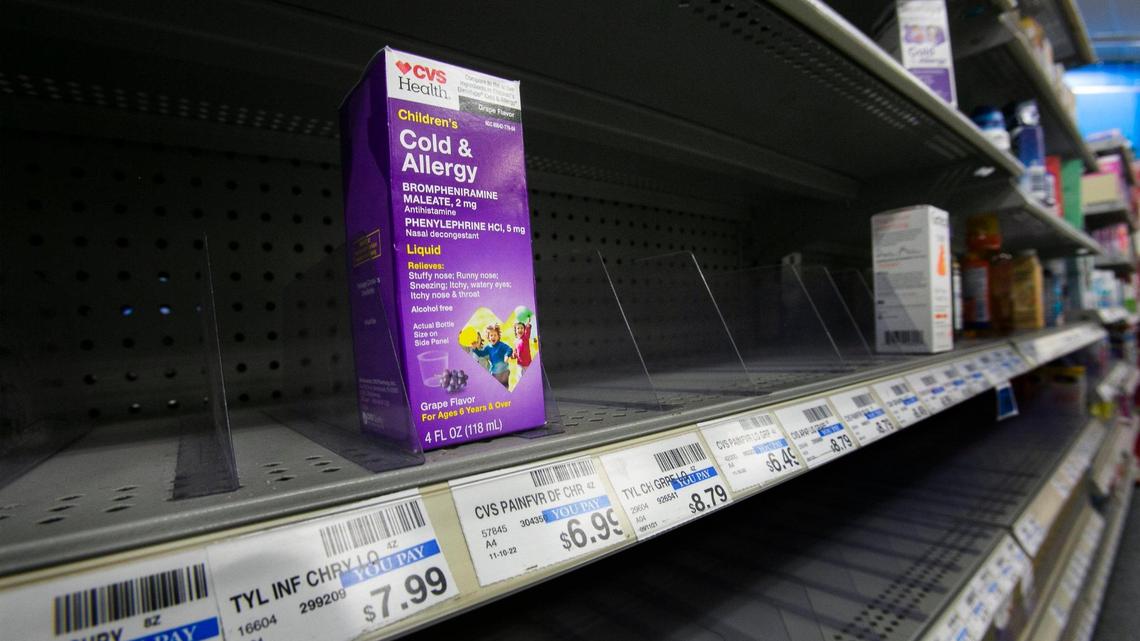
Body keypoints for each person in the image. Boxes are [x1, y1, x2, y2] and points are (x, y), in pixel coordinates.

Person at [472, 323, 512, 387]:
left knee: (504, 387)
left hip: (504, 372)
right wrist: (475, 349)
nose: (493, 337)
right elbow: (481, 354)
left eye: (495, 335)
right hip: (495, 373)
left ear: (498, 336)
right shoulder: (488, 348)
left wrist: (506, 355)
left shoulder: (501, 345)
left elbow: (509, 349)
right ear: (488, 337)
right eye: (491, 335)